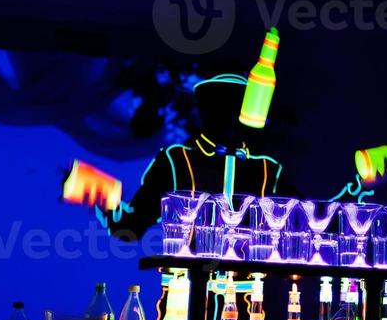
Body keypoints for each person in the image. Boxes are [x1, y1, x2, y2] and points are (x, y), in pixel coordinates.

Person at [97, 73, 287, 240]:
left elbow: (303, 221)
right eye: (222, 106)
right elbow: (134, 226)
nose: (230, 116)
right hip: (188, 277)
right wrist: (109, 207)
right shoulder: (176, 160)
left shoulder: (267, 170)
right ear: (205, 111)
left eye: (238, 106)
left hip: (252, 277)